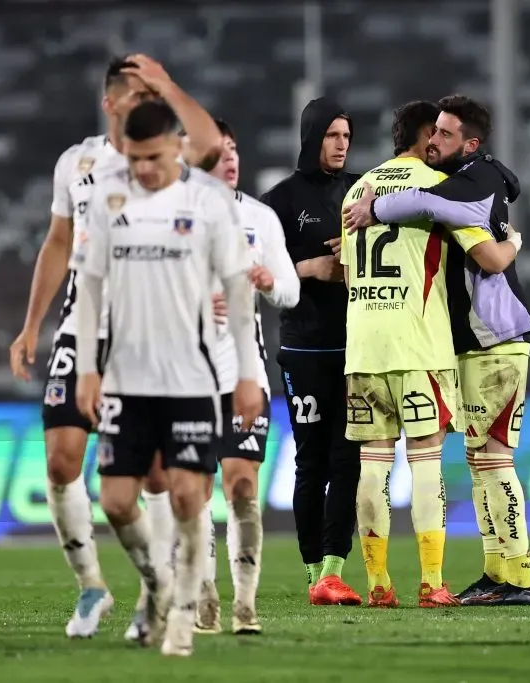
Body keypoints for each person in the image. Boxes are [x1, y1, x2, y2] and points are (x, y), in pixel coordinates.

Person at [7, 54, 224, 640]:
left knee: (151, 480)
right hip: (84, 326)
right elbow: (58, 244)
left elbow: (208, 144)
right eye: (135, 96)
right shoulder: (79, 165)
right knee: (59, 460)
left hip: (150, 334)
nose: (143, 105)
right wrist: (33, 325)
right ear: (110, 103)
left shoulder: (165, 159)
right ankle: (92, 587)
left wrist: (168, 87)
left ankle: (159, 587)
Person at [72, 101, 263, 656]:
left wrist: (248, 376)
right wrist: (88, 369)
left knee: (186, 496)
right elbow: (88, 290)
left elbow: (240, 287)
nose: (143, 170)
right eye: (134, 159)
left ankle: (182, 609)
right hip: (126, 381)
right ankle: (157, 581)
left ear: (177, 146)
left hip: (191, 380)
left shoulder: (207, 203)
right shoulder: (108, 198)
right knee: (114, 501)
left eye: (153, 158)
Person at [342, 95, 530, 606]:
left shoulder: (368, 188)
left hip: (486, 342)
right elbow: (495, 245)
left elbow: (491, 259)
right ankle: (492, 576)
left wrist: (512, 243)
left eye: (446, 136)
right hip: (440, 344)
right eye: (435, 133)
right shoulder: (442, 186)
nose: (436, 143)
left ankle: (518, 576)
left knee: (489, 460)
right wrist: (515, 239)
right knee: (476, 461)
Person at [191, 118, 300, 635]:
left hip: (242, 373)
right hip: (181, 376)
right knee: (190, 495)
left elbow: (292, 291)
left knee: (240, 487)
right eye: (219, 152)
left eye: (234, 149)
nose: (230, 159)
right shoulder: (171, 216)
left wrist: (269, 281)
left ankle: (245, 605)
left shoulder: (260, 218)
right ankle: (203, 590)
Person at [261, 98, 363, 605]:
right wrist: (309, 269)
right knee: (311, 462)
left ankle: (334, 568)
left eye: (346, 136)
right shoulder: (278, 202)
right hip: (304, 348)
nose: (342, 145)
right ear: (312, 136)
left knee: (350, 461)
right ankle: (310, 570)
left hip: (357, 347)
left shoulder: (361, 192)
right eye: (332, 136)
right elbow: (254, 273)